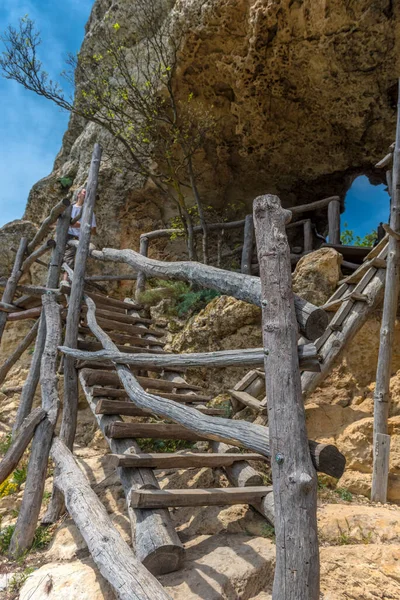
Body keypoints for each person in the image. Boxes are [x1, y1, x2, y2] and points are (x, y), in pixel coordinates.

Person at [63, 187, 97, 280]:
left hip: (82, 237)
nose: (86, 194)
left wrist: (79, 225)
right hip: (69, 237)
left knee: (79, 260)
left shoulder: (90, 212)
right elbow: (64, 222)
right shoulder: (70, 208)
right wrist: (84, 225)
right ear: (78, 195)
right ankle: (65, 281)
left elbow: (93, 230)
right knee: (68, 259)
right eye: (84, 192)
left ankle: (71, 282)